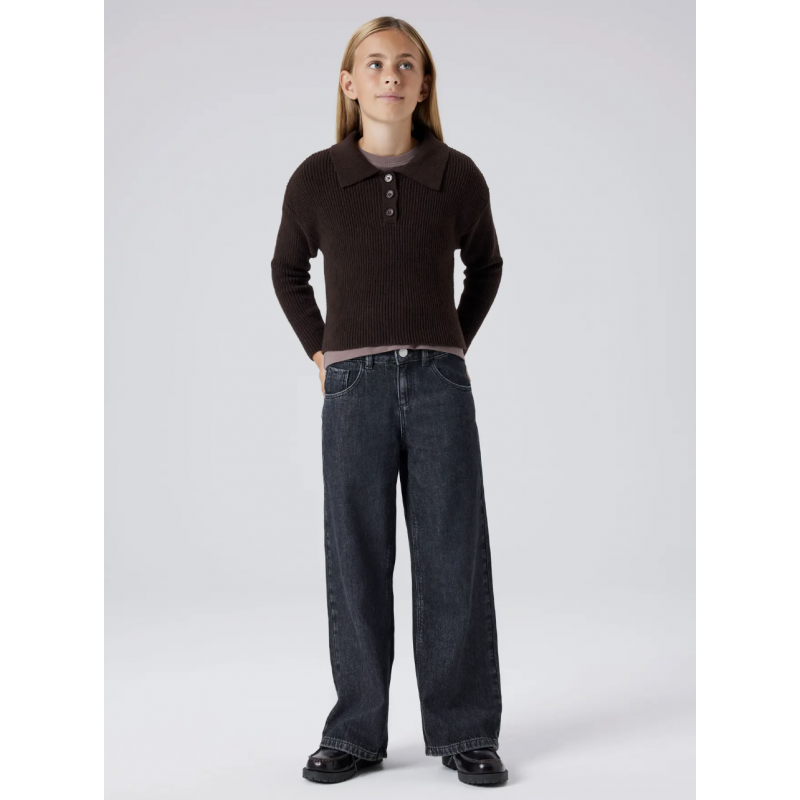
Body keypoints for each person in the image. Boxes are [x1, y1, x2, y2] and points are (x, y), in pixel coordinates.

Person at [270, 16, 508, 786]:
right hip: (354, 388)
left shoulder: (456, 176)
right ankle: (355, 733)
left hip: (439, 386)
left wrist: (453, 340)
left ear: (424, 83)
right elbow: (286, 270)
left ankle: (465, 730)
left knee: (451, 556)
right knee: (357, 559)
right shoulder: (318, 179)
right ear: (349, 83)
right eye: (374, 63)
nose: (390, 75)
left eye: (406, 64)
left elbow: (487, 266)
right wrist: (321, 349)